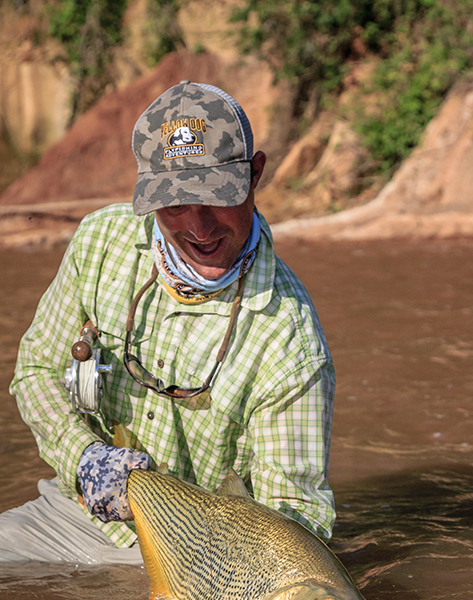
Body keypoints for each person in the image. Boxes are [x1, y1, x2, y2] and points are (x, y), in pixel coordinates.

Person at [0, 81, 335, 564]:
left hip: (205, 559)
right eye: (175, 205)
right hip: (76, 515)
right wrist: (82, 457)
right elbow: (35, 372)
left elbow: (298, 515)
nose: (199, 229)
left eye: (216, 197)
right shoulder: (99, 241)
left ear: (255, 175)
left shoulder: (292, 341)